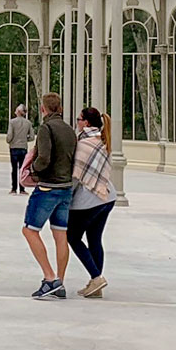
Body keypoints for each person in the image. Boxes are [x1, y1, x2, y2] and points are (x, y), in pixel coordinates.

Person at [20, 93, 78, 299]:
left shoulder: (46, 128)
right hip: (65, 187)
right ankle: (59, 282)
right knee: (60, 235)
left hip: (47, 187)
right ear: (59, 108)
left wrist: (34, 171)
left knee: (29, 230)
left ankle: (49, 277)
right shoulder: (70, 130)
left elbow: (44, 157)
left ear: (43, 109)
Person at [66, 106, 115, 297]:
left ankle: (96, 277)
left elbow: (76, 177)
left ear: (86, 123)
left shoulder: (83, 144)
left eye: (79, 119)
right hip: (107, 196)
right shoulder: (102, 140)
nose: (77, 123)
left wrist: (65, 197)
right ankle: (96, 285)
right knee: (94, 239)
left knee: (72, 237)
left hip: (90, 199)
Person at [6, 105, 34, 194]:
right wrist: (25, 139)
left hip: (14, 147)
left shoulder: (12, 122)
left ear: (18, 112)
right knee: (22, 169)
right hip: (23, 147)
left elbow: (10, 135)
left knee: (14, 169)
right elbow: (32, 136)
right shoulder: (28, 123)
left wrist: (9, 140)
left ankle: (14, 188)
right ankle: (22, 189)